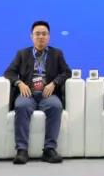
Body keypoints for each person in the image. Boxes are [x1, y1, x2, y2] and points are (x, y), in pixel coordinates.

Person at [4, 20, 71, 165]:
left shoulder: (56, 54)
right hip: (28, 93)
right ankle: (22, 150)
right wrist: (19, 83)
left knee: (56, 106)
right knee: (21, 106)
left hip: (48, 94)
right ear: (31, 36)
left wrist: (54, 83)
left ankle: (49, 149)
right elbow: (9, 72)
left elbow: (67, 72)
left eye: (44, 34)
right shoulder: (22, 54)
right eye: (37, 34)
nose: (41, 37)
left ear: (49, 36)